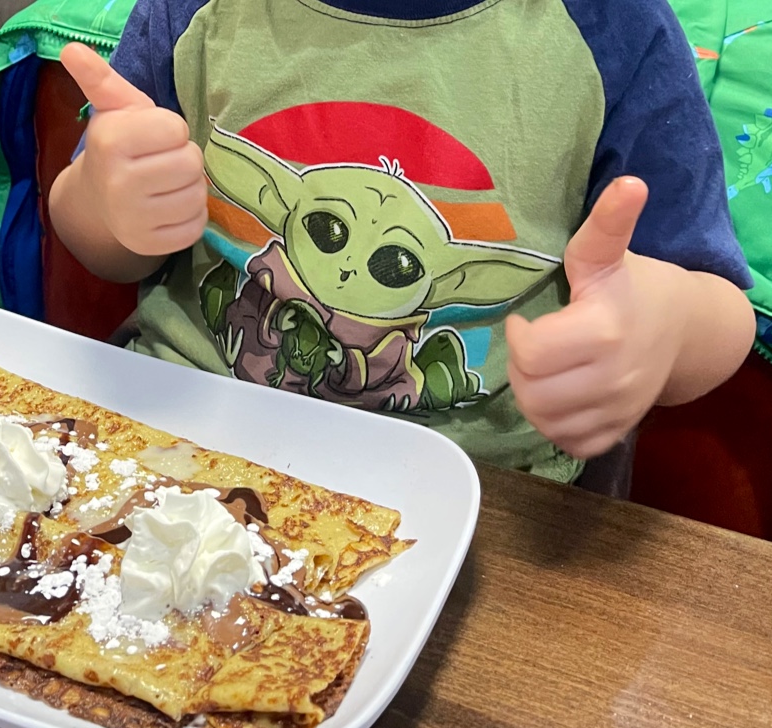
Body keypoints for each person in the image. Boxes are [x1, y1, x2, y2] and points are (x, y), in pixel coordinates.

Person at [49, 0, 755, 487]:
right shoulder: (196, 12)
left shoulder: (614, 29)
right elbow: (100, 246)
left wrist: (661, 325)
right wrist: (108, 203)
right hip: (183, 428)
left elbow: (720, 310)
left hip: (482, 486)